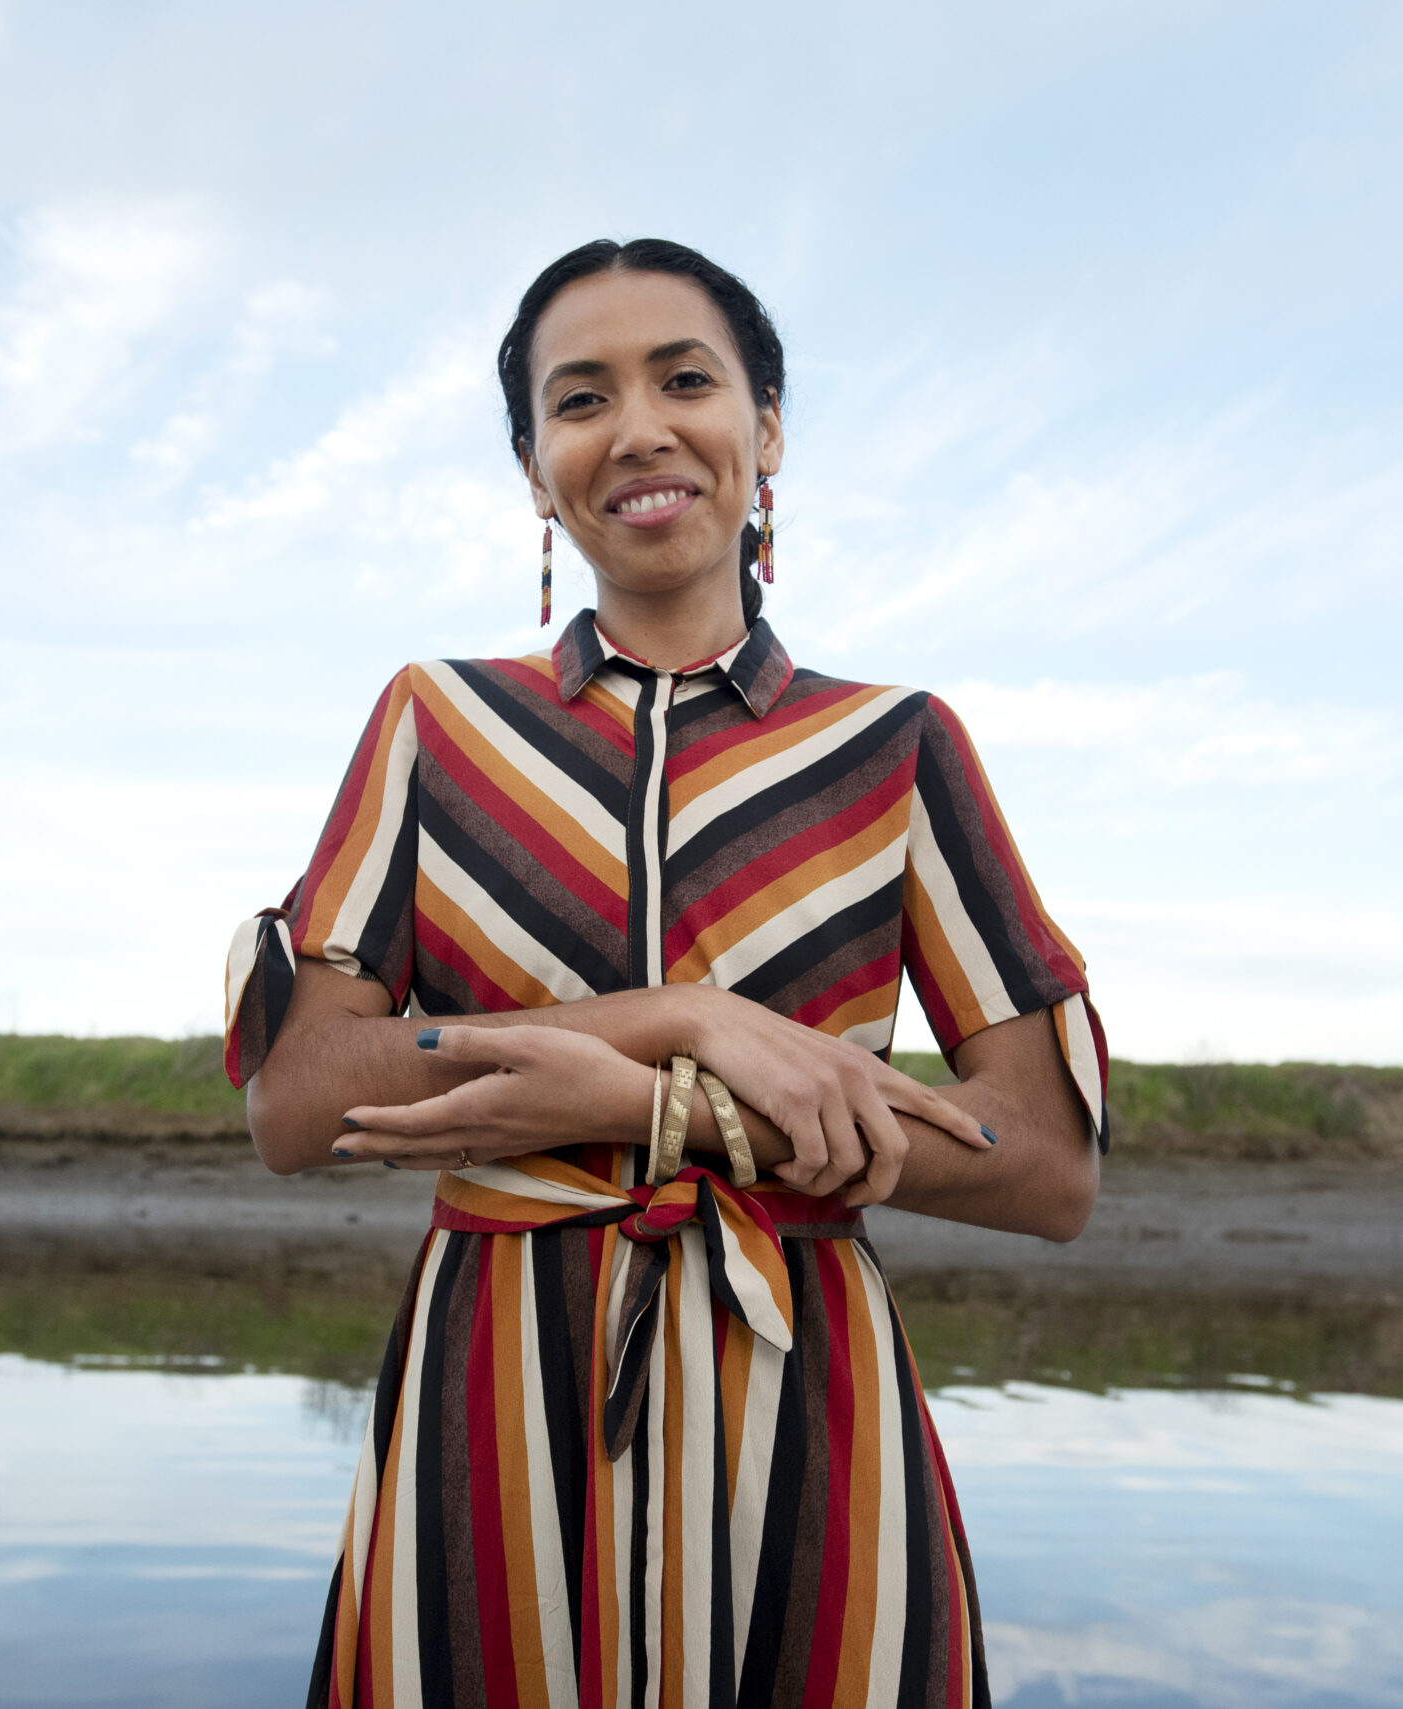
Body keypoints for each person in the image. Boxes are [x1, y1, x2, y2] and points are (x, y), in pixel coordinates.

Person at [225, 237, 1108, 1709]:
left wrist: (670, 1115)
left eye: (684, 379)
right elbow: (297, 1102)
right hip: (489, 1398)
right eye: (579, 399)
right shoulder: (437, 726)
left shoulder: (895, 748)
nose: (635, 425)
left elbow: (1049, 1163)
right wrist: (679, 1018)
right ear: (535, 468)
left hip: (805, 1395)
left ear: (766, 433)